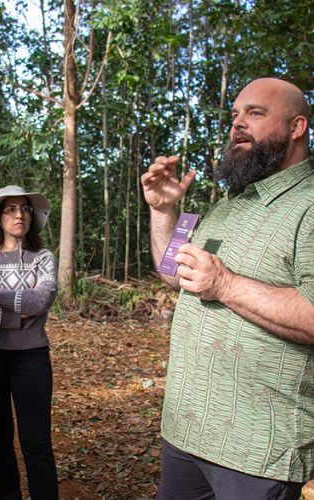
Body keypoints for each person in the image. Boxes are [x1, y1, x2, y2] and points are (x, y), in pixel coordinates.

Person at [141, 77, 313, 500]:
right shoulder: (229, 203)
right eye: (235, 115)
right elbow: (173, 271)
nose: (238, 124)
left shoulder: (309, 205)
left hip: (257, 454)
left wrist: (225, 284)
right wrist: (164, 211)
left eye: (255, 113)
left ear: (297, 127)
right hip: (185, 434)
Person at [0, 185, 59, 500]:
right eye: (10, 209)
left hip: (31, 358)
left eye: (25, 209)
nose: (19, 215)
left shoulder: (42, 257)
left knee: (37, 442)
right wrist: (19, 316)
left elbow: (41, 299)